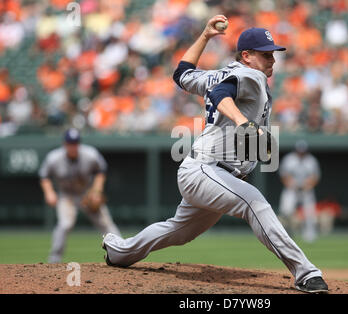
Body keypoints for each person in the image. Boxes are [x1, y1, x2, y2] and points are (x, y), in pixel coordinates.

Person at [101, 15, 328, 294]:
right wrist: (244, 123)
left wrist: (205, 36)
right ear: (246, 55)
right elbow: (222, 94)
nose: (272, 60)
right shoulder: (250, 74)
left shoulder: (220, 72)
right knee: (254, 202)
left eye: (273, 54)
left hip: (207, 172)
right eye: (266, 54)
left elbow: (182, 74)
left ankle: (119, 251)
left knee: (179, 232)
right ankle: (306, 273)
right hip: (206, 169)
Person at [39, 128, 121, 263]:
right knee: (65, 224)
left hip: (86, 194)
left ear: (79, 143)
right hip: (67, 196)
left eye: (75, 143)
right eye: (70, 143)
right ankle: (54, 259)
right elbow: (44, 176)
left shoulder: (90, 154)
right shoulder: (54, 158)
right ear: (64, 144)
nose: (73, 146)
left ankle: (123, 252)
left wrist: (96, 191)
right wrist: (49, 192)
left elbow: (101, 171)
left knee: (106, 224)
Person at [278, 140, 321, 242]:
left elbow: (315, 176)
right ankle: (287, 234)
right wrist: (290, 183)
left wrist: (309, 184)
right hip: (291, 189)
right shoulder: (289, 159)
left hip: (306, 189)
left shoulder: (311, 160)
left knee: (309, 213)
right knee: (286, 212)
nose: (301, 153)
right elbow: (284, 175)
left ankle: (309, 235)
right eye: (299, 151)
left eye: (303, 151)